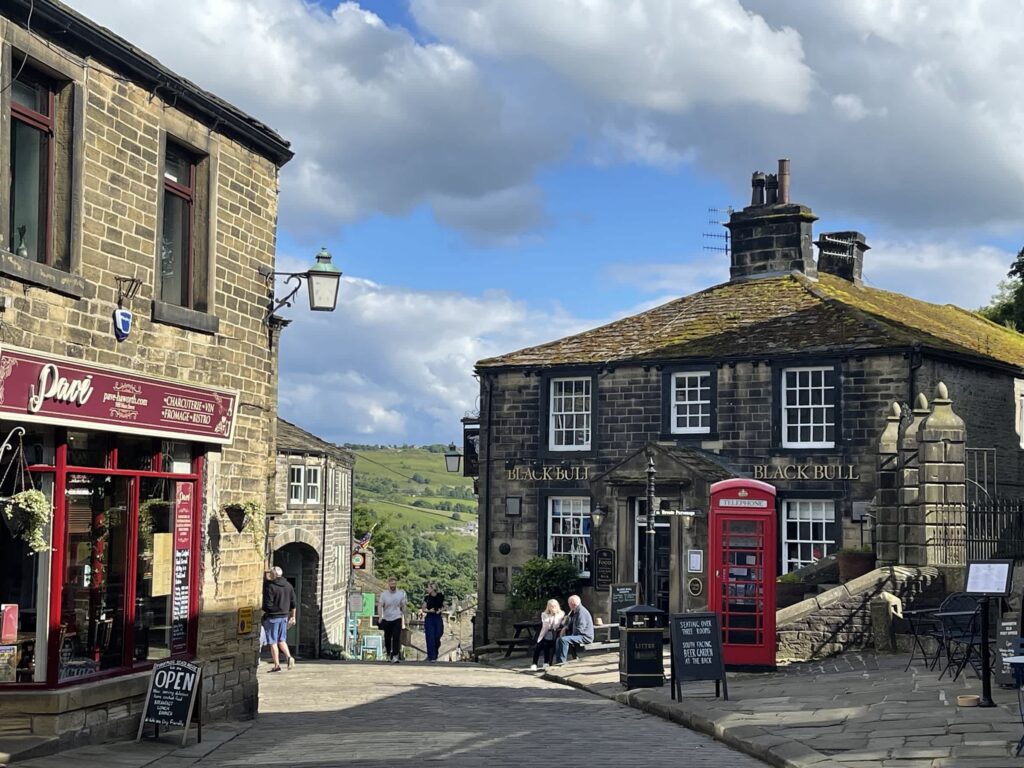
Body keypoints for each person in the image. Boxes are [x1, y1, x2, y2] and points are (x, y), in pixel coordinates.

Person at [261, 567, 296, 672]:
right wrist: (293, 616)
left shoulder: (270, 586)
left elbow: (267, 604)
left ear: (273, 575)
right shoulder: (288, 585)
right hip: (284, 616)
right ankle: (289, 657)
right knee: (281, 640)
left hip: (272, 617)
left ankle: (276, 665)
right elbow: (293, 603)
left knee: (273, 642)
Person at [553, 594, 594, 665]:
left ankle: (562, 662)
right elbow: (572, 623)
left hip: (585, 636)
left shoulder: (581, 612)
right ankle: (558, 661)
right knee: (559, 639)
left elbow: (580, 628)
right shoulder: (575, 611)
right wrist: (566, 627)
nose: (568, 605)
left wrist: (571, 635)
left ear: (573, 604)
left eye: (569, 603)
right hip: (578, 634)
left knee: (564, 640)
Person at [378, 577, 408, 663]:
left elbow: (403, 606)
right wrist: (380, 616)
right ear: (388, 584)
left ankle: (395, 656)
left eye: (394, 584)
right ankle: (388, 654)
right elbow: (380, 605)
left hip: (397, 617)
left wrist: (405, 618)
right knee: (387, 637)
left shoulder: (400, 594)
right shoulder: (384, 594)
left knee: (396, 637)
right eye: (391, 584)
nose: (393, 586)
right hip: (387, 618)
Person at [530, 598, 564, 671]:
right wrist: (551, 615)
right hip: (545, 632)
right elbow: (546, 625)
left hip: (554, 633)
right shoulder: (544, 614)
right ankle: (534, 663)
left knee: (548, 646)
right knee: (538, 646)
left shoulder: (561, 614)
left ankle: (546, 662)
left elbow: (556, 625)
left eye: (554, 606)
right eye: (550, 606)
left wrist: (555, 616)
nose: (552, 608)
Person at [421, 582, 445, 662]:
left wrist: (440, 610)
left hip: (437, 617)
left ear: (433, 588)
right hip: (430, 617)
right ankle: (432, 656)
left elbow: (445, 606)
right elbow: (423, 609)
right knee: (430, 636)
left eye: (428, 587)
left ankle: (435, 651)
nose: (427, 589)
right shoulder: (427, 598)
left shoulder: (440, 596)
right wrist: (429, 611)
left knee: (438, 634)